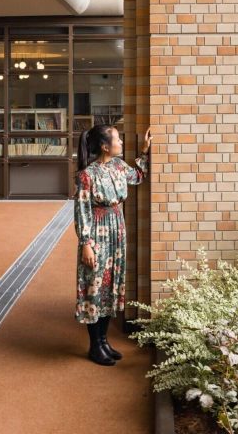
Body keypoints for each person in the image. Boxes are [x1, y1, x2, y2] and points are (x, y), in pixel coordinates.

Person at [73, 124, 152, 365]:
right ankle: (95, 345)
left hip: (117, 228)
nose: (121, 142)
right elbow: (81, 210)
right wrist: (86, 243)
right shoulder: (87, 174)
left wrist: (145, 150)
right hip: (97, 232)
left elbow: (137, 177)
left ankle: (104, 341)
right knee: (95, 285)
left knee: (110, 284)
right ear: (105, 146)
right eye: (118, 139)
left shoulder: (118, 166)